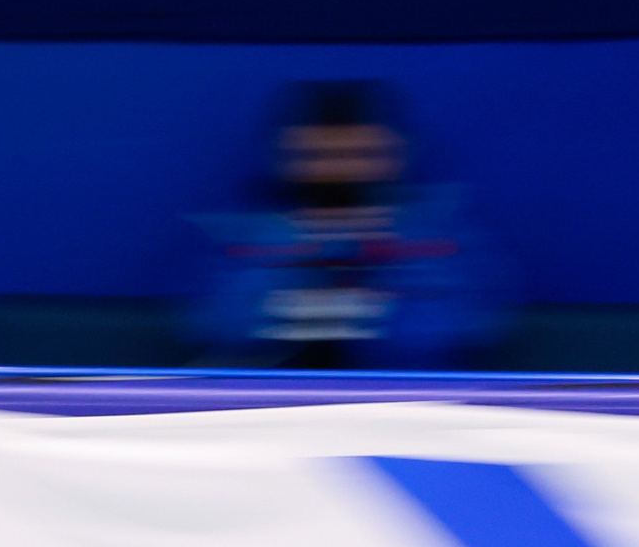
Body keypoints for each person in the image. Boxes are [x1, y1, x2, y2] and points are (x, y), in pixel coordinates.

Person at [193, 80, 509, 369]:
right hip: (272, 405)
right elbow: (216, 327)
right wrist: (300, 254)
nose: (338, 171)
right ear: (284, 157)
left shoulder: (441, 234)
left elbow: (469, 330)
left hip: (408, 403)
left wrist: (383, 256)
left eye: (360, 154)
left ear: (397, 154)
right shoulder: (243, 234)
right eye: (317, 156)